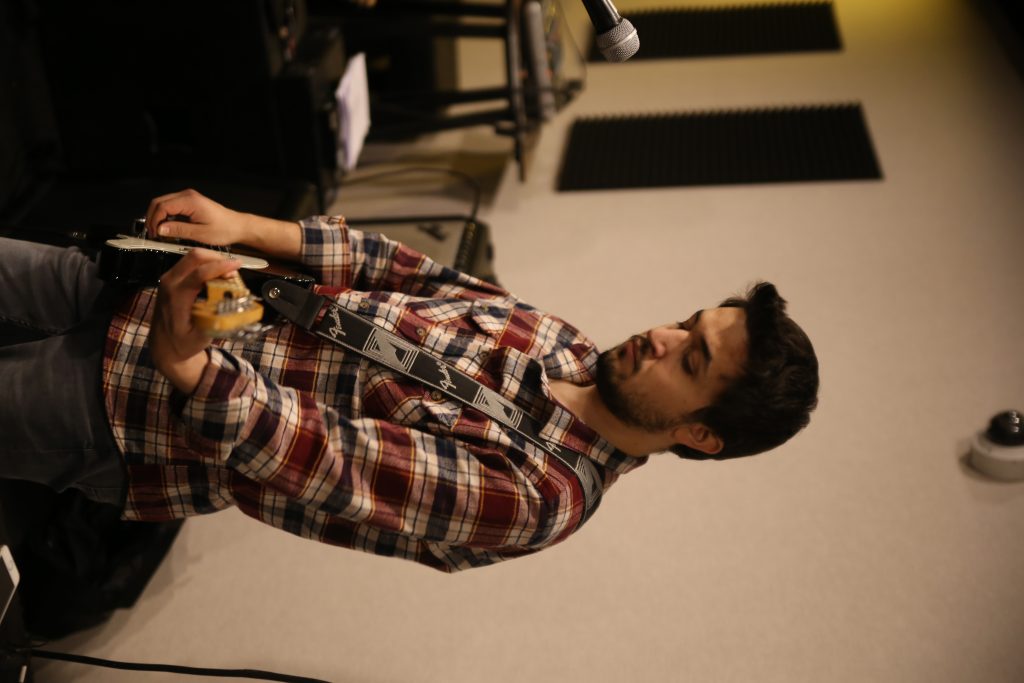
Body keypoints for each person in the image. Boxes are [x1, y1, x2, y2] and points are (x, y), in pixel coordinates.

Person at [0, 189, 819, 572]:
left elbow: (328, 461)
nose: (662, 337)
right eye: (686, 322)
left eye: (690, 360)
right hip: (167, 285)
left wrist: (191, 369)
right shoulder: (568, 344)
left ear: (699, 434)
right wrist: (250, 228)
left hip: (130, 408)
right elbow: (409, 273)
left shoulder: (541, 496)